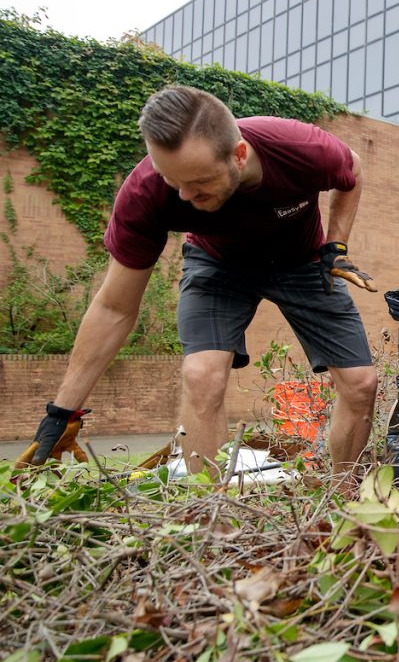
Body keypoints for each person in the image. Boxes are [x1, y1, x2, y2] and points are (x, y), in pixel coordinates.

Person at [21, 85, 378, 477]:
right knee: (201, 376)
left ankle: (346, 502)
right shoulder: (146, 194)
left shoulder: (299, 148)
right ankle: (209, 516)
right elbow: (113, 307)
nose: (185, 195)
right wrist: (61, 411)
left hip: (302, 261)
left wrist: (336, 245)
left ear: (239, 156)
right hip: (218, 265)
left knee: (362, 384)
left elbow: (353, 171)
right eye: (173, 180)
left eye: (199, 182)